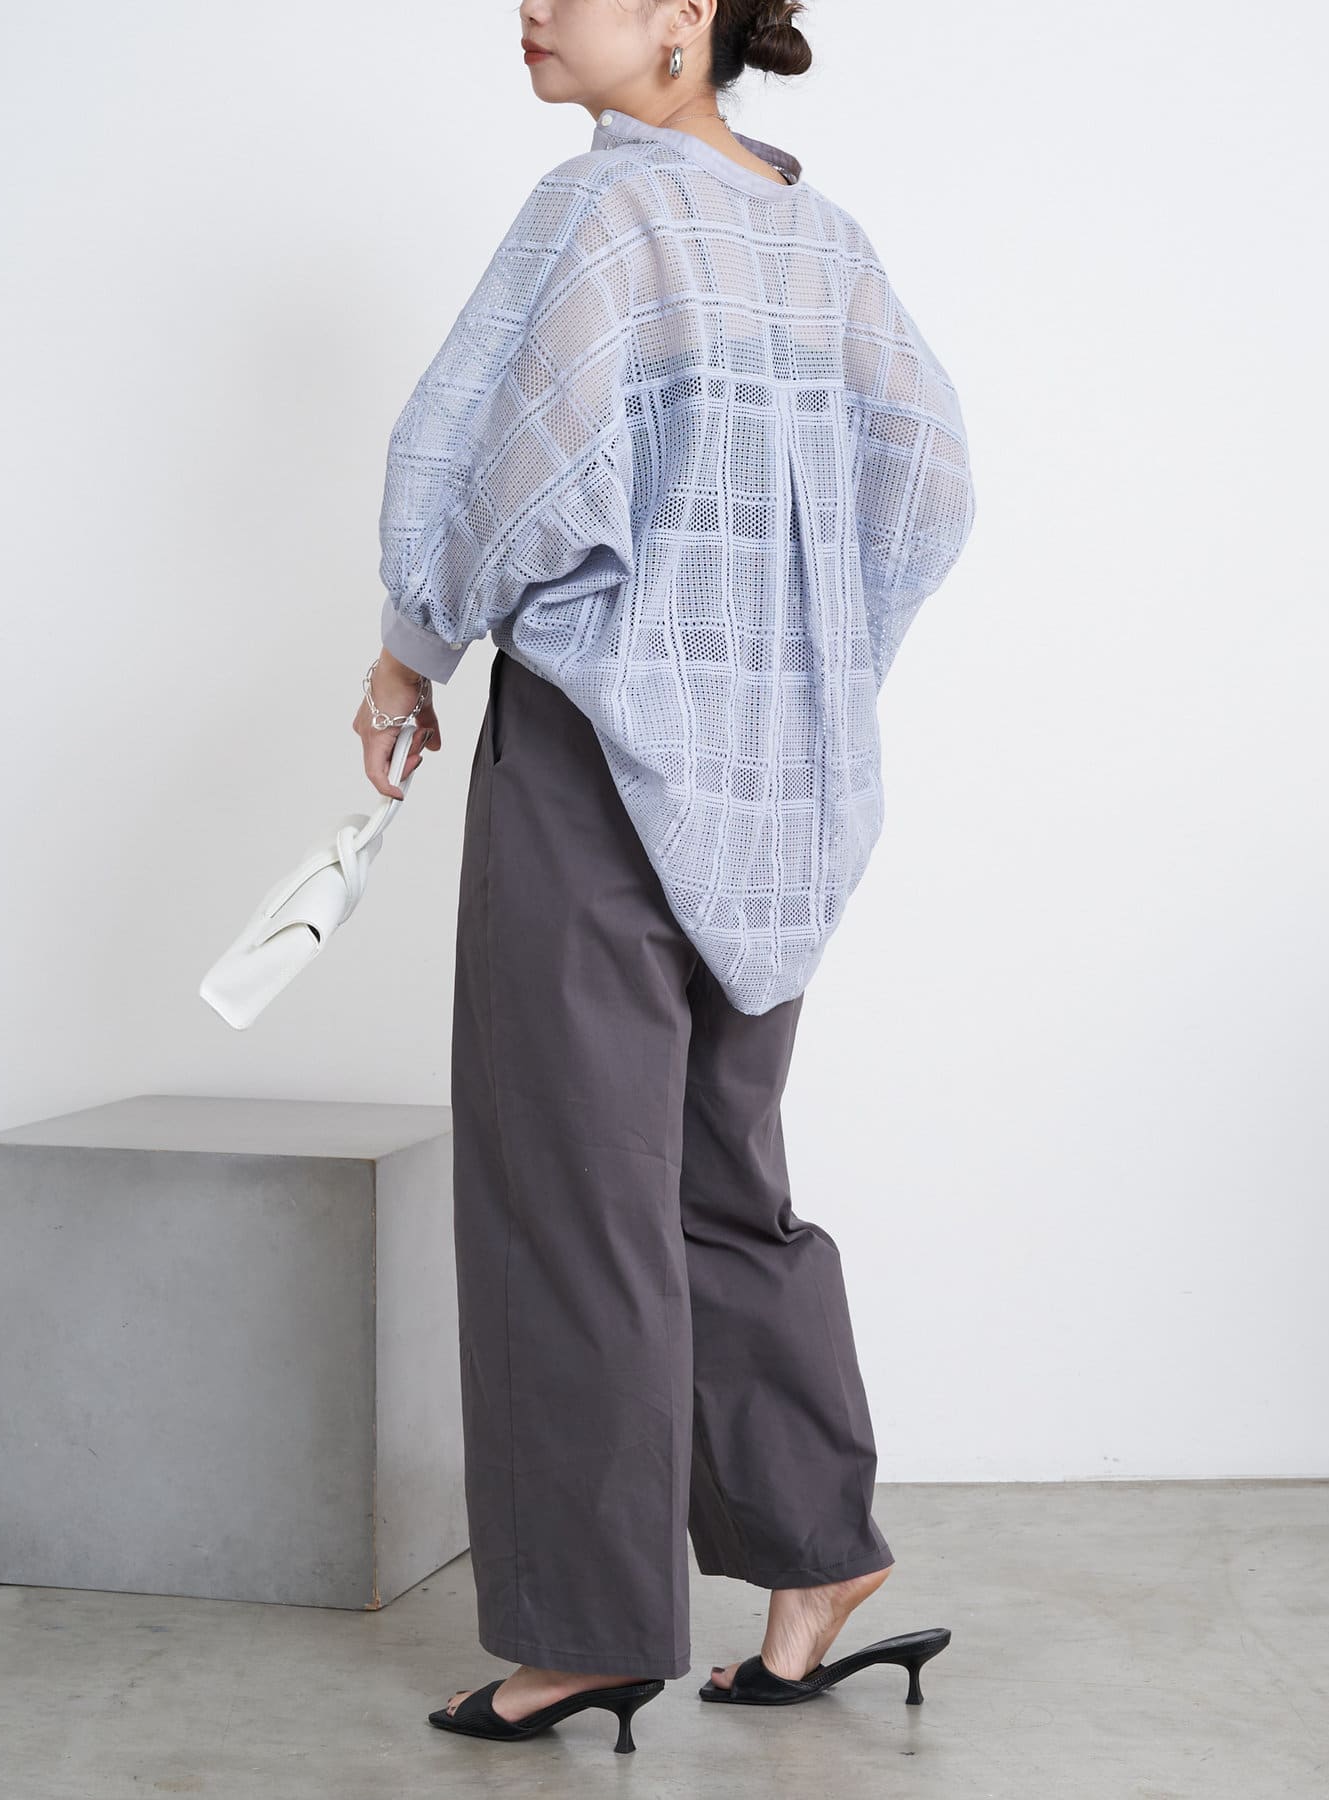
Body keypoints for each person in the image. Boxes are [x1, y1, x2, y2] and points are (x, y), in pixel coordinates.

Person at [353, 0, 975, 1757]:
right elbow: (932, 478)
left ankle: (583, 1630)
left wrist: (411, 649)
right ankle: (816, 1557)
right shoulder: (820, 238)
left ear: (687, 18)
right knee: (718, 1177)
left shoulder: (603, 205)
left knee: (570, 1191)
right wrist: (803, 653)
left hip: (600, 761)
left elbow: (493, 455)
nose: (532, 11)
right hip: (777, 786)